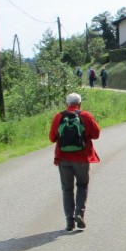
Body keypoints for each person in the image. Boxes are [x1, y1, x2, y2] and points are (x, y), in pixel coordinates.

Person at [49, 92, 101, 231]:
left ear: (67, 104)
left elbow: (52, 138)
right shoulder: (85, 116)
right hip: (82, 158)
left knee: (67, 189)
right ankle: (79, 213)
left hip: (63, 158)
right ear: (80, 104)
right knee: (82, 186)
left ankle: (69, 221)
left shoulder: (59, 116)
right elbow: (96, 134)